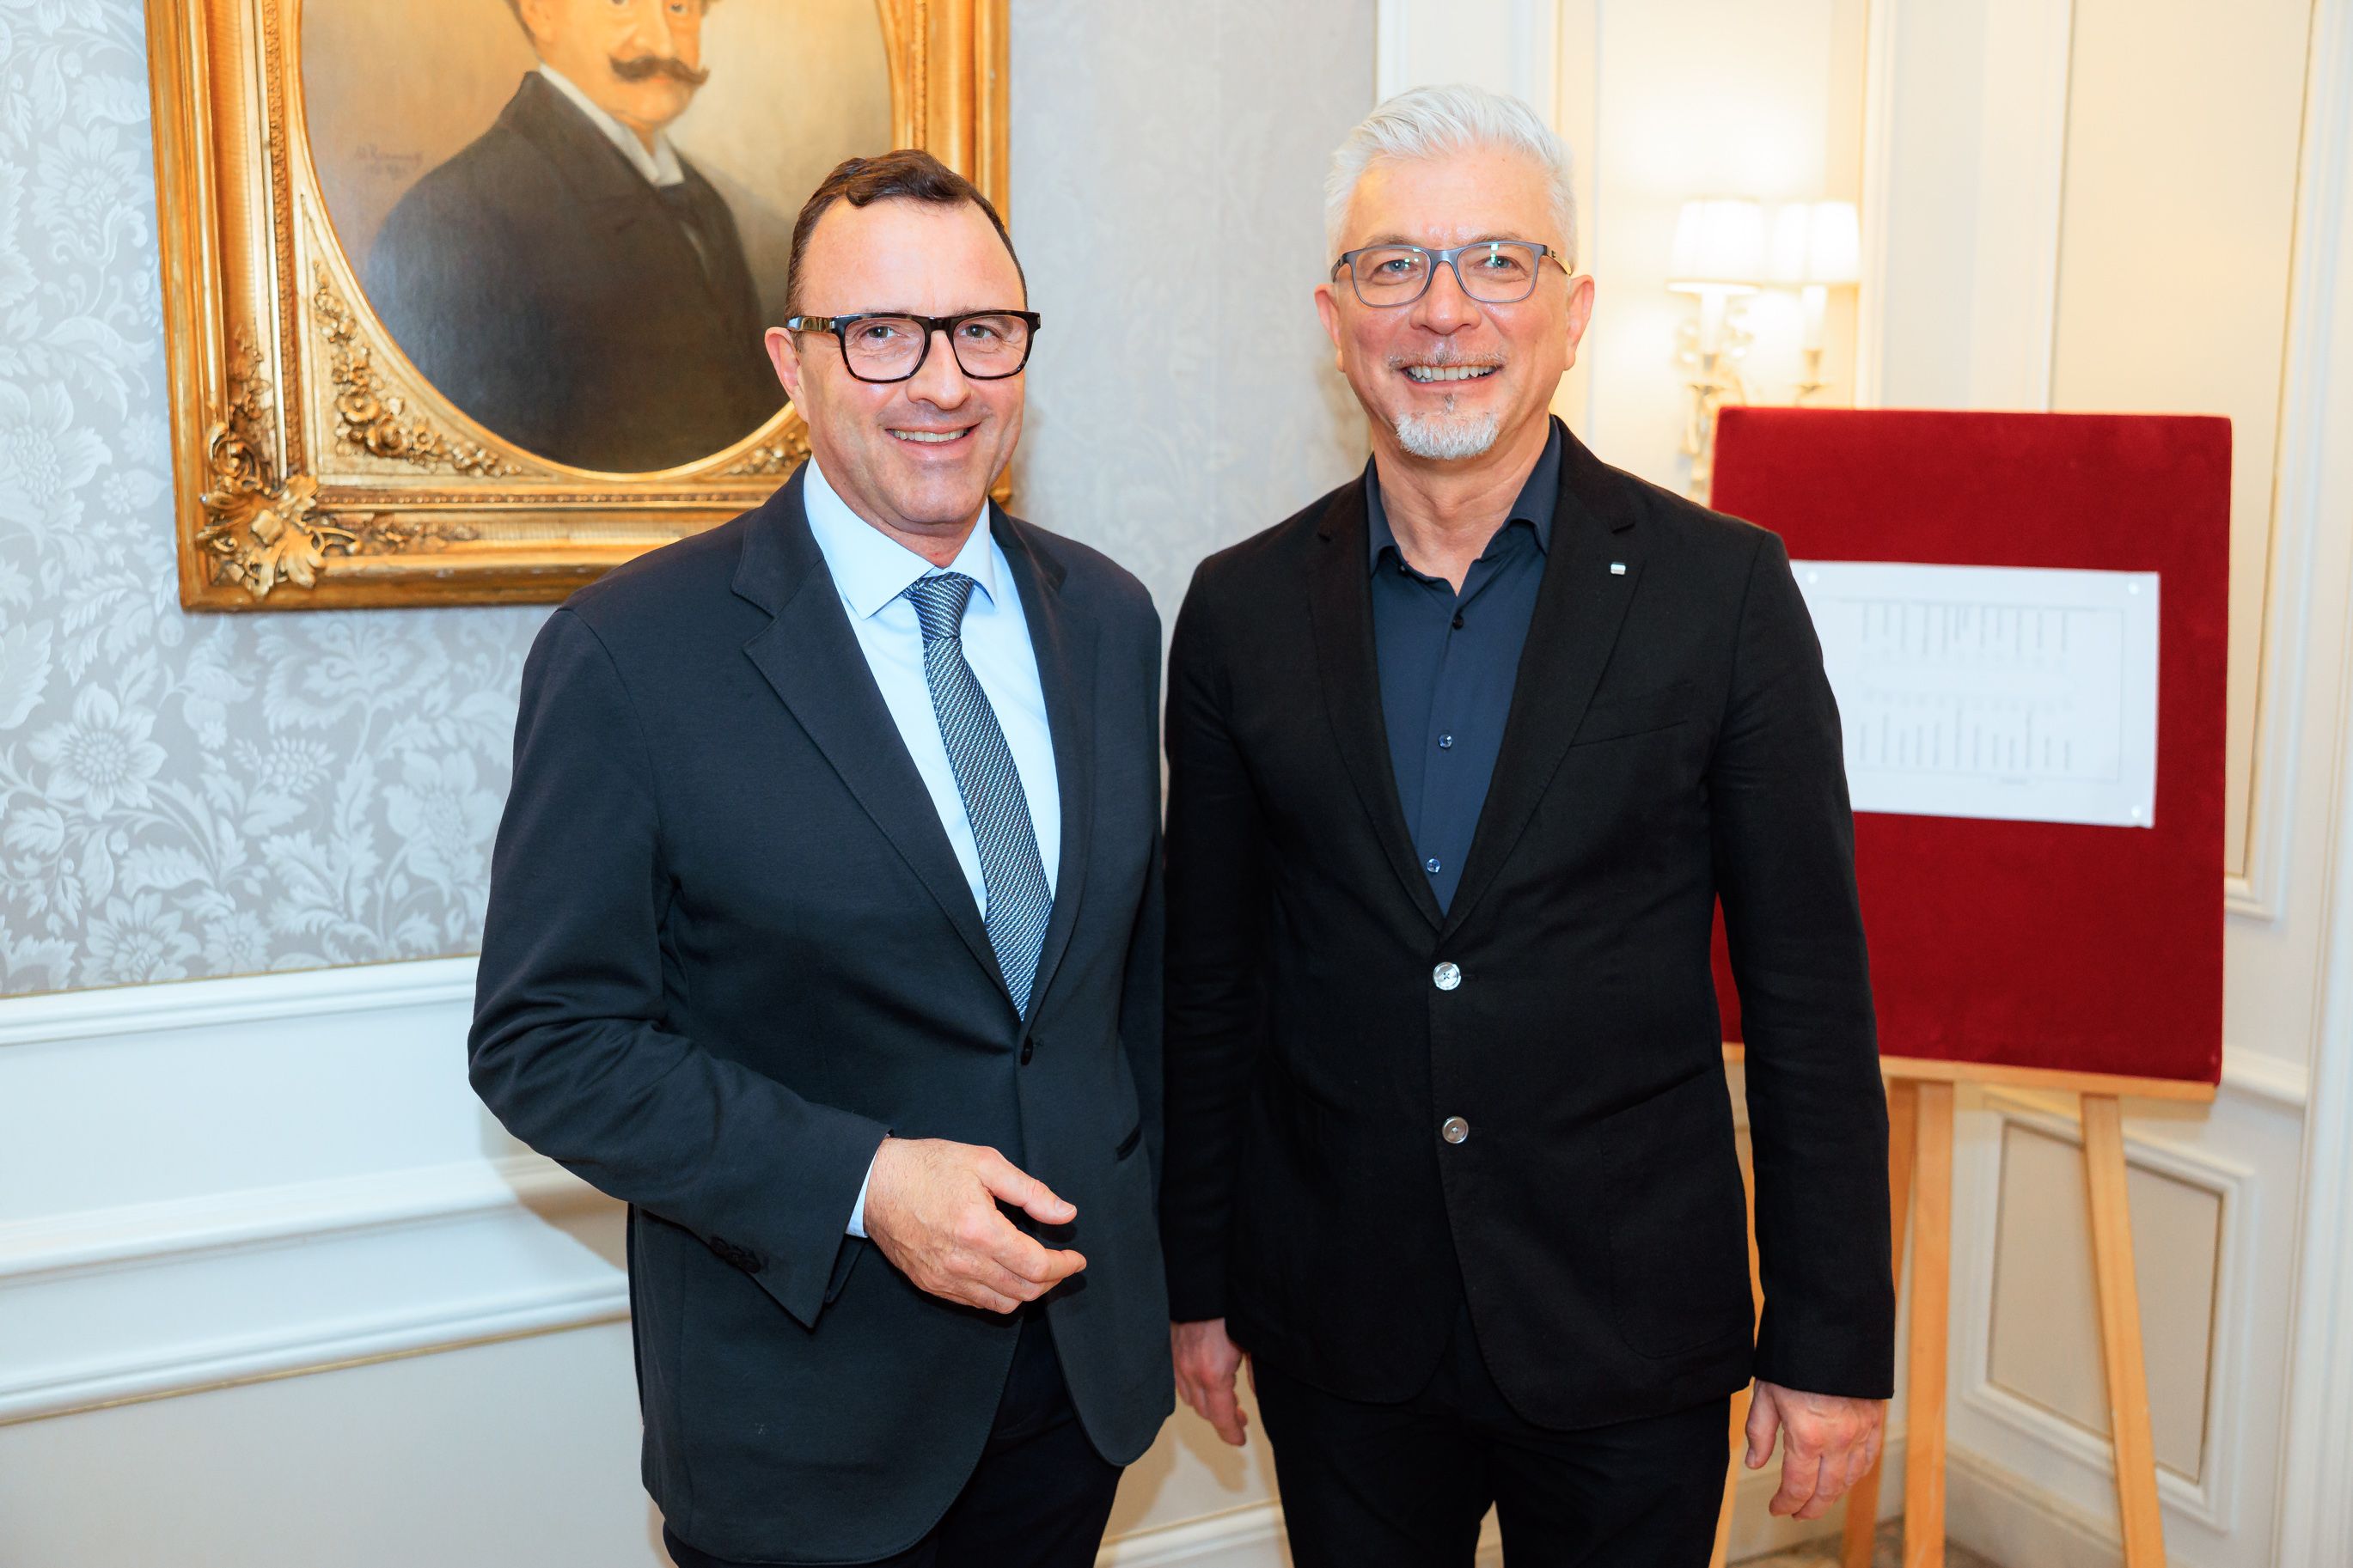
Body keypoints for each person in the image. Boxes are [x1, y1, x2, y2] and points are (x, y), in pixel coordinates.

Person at [1158, 85, 1893, 1566]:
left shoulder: (1724, 594)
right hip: (1340, 1329)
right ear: (1335, 319)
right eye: (1393, 267)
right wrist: (1195, 1282)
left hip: (1628, 1327)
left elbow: (1809, 999)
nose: (1444, 311)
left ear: (1572, 313)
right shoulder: (1236, 610)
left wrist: (1828, 1338)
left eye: (1498, 261)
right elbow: (1208, 985)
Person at [470, 149, 1171, 1566]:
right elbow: (546, 1042)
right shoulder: (631, 654)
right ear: (791, 364)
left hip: (1073, 1396)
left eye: (982, 330)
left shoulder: (1107, 616)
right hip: (805, 1430)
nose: (942, 381)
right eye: (881, 333)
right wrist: (863, 1182)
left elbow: (1120, 992)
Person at [366, 0, 777, 471]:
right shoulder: (453, 216)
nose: (664, 44)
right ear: (540, 12)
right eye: (622, 4)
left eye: (680, 7)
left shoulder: (702, 199)